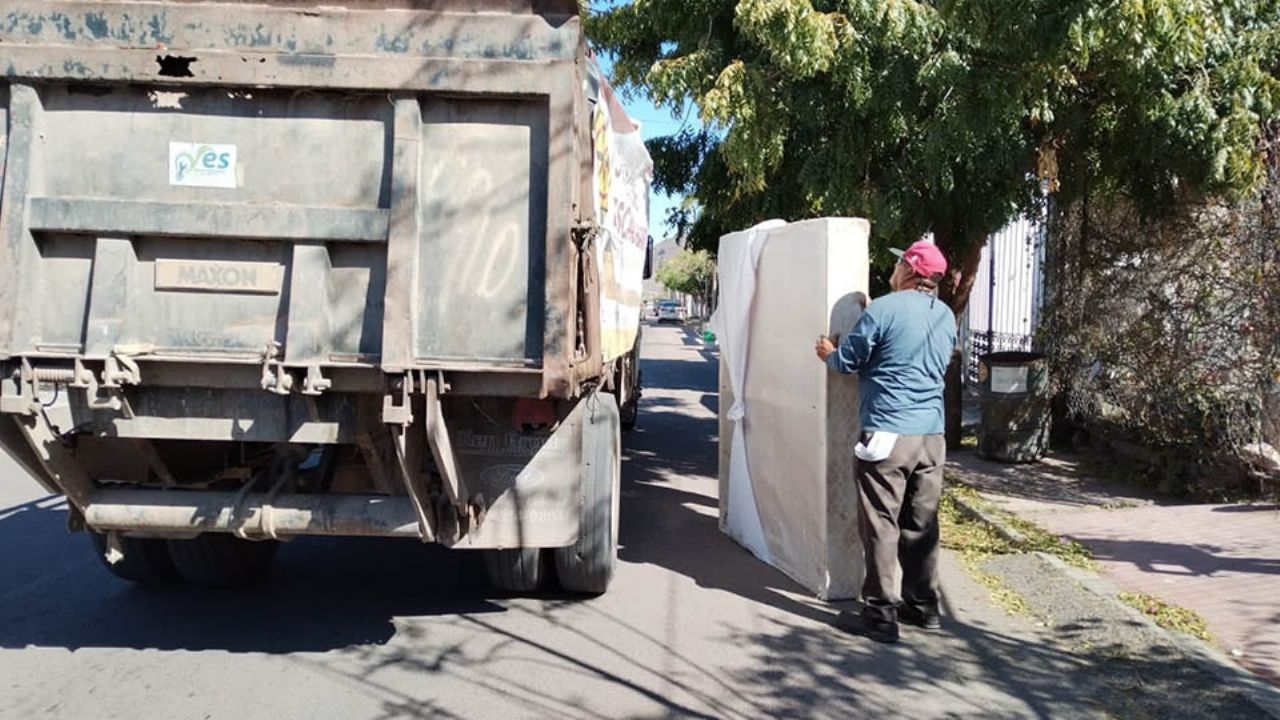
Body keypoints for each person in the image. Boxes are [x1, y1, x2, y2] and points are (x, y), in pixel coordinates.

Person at [814, 239, 956, 644]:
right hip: (932, 435)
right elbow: (912, 350)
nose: (892, 269)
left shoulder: (884, 310)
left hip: (889, 433)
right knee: (921, 523)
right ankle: (923, 606)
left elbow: (849, 361)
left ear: (910, 270)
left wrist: (829, 351)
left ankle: (880, 614)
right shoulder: (945, 315)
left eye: (898, 265)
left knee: (881, 523)